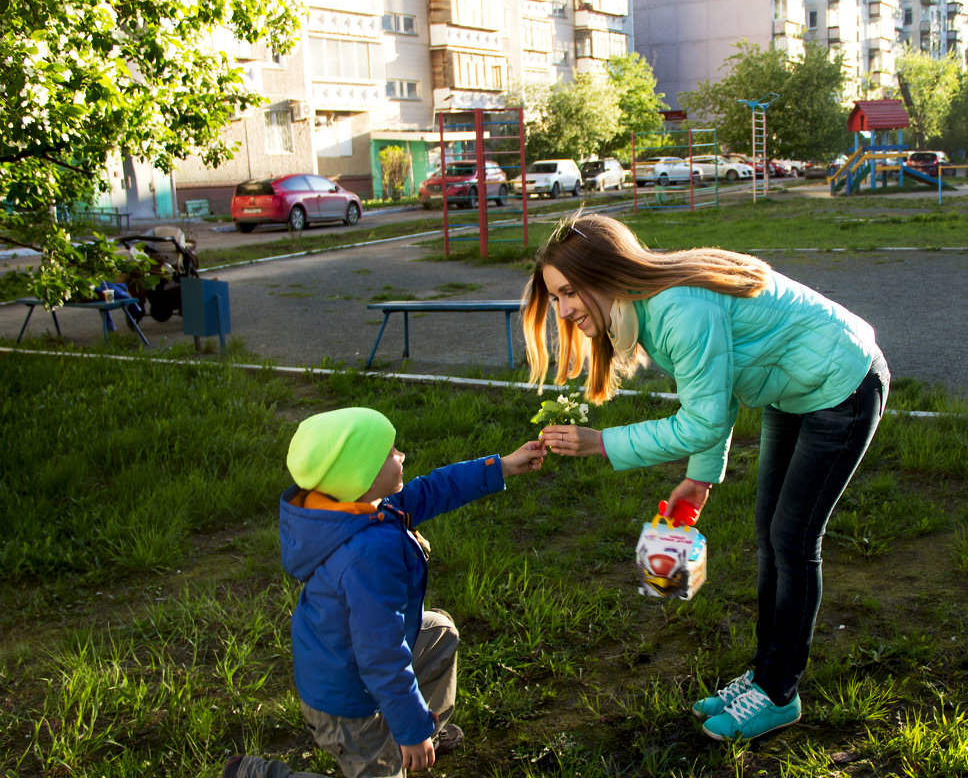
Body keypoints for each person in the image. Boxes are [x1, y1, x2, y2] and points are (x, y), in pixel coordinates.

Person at [521, 215, 889, 742]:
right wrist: (700, 480)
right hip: (795, 385)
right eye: (556, 298)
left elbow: (702, 421)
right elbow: (712, 395)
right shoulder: (651, 308)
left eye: (569, 292)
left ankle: (779, 692)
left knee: (793, 538)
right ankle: (765, 675)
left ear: (605, 273)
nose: (565, 310)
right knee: (770, 535)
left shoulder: (677, 310)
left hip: (842, 383)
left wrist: (603, 442)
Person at [224, 407, 545, 778]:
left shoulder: (360, 508)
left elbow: (433, 490)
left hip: (346, 663)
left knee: (439, 634)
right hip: (348, 705)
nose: (401, 455)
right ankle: (260, 774)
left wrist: (502, 465)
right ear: (361, 475)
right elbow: (382, 656)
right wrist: (410, 732)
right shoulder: (368, 555)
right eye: (390, 452)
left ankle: (423, 728)